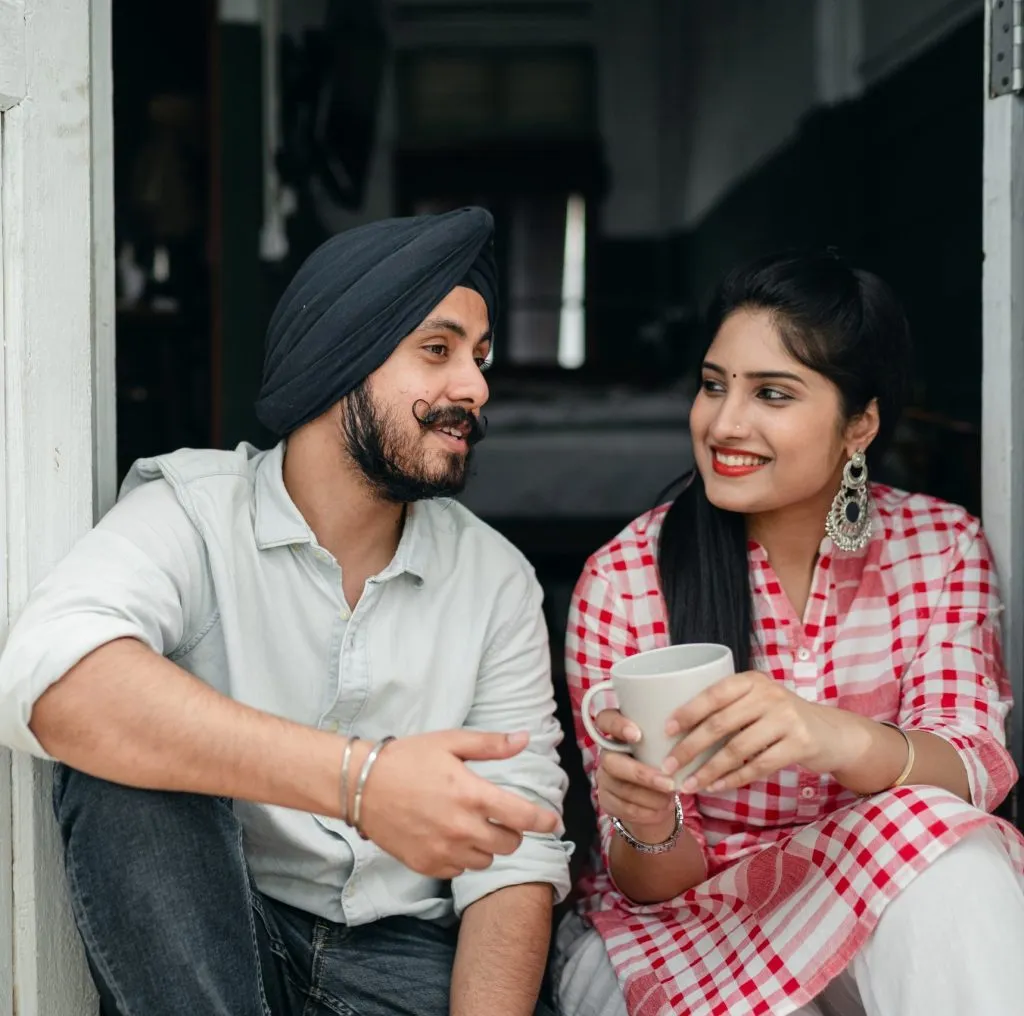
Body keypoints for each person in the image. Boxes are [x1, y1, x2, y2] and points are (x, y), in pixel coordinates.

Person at [0, 207, 571, 1016]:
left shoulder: (496, 579)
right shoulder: (193, 513)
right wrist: (359, 783)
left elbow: (517, 857)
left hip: (406, 954)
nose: (476, 388)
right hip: (225, 931)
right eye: (437, 350)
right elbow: (48, 672)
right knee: (123, 770)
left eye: (479, 357)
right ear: (341, 357)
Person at [554, 250, 1024, 1016]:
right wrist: (647, 823)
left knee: (953, 853)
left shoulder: (938, 547)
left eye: (772, 393)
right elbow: (651, 882)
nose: (724, 424)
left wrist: (831, 736)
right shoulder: (626, 579)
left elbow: (972, 771)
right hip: (683, 929)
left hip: (875, 897)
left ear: (859, 425)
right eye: (714, 385)